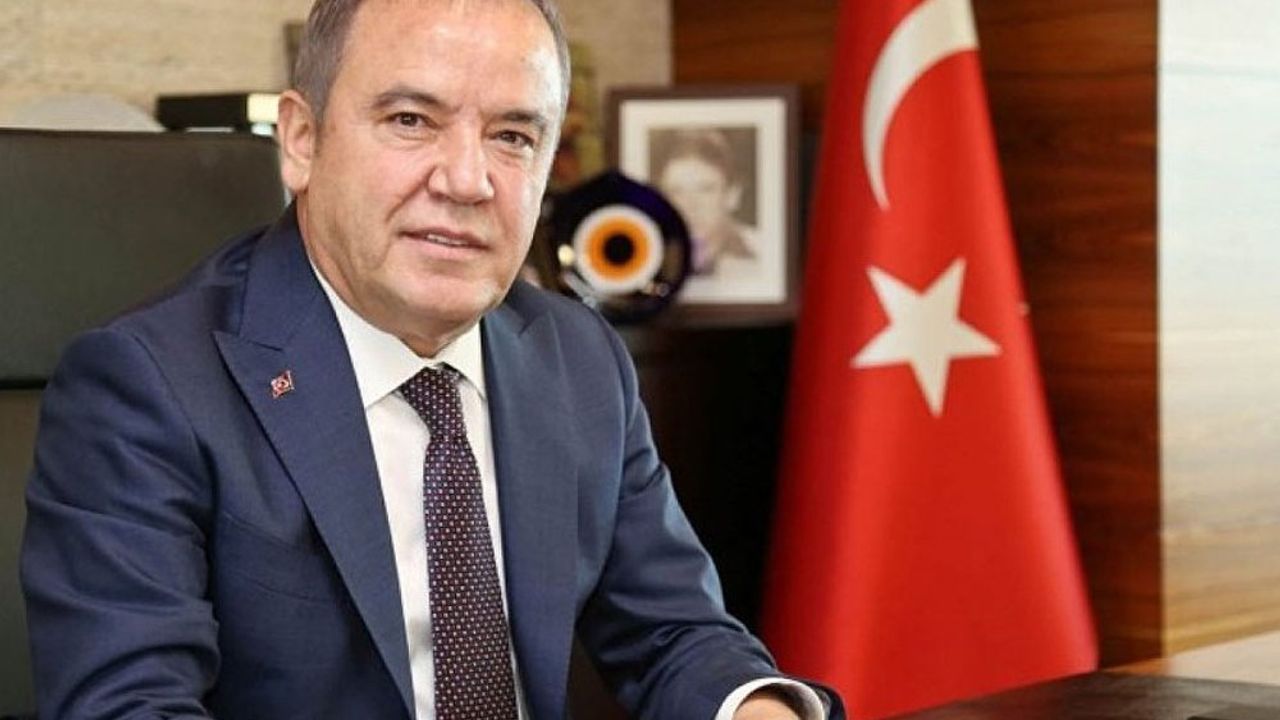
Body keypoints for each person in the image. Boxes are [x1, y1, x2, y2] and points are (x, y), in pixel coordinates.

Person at [20, 1, 843, 718]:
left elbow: (673, 633)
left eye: (513, 135)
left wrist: (757, 708)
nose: (467, 179)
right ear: (301, 141)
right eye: (411, 120)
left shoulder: (577, 355)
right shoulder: (147, 385)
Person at [656, 128, 759, 276]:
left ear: (733, 196)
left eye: (705, 190)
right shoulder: (648, 256)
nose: (689, 205)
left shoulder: (766, 255)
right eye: (676, 191)